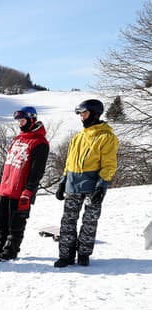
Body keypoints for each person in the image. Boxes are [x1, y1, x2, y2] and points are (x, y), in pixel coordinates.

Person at [53, 99, 119, 267]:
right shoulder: (78, 137)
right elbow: (69, 162)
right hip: (73, 184)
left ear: (95, 114)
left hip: (93, 185)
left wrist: (102, 185)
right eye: (81, 114)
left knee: (89, 222)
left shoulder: (107, 137)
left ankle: (83, 254)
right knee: (68, 221)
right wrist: (63, 182)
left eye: (85, 113)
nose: (82, 117)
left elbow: (109, 164)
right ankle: (65, 255)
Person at [0, 106, 49, 261]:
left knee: (16, 222)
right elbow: (6, 165)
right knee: (0, 220)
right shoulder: (16, 140)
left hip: (21, 191)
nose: (20, 124)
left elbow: (37, 171)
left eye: (23, 120)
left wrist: (29, 190)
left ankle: (10, 250)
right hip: (6, 188)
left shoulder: (40, 143)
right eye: (19, 121)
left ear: (32, 120)